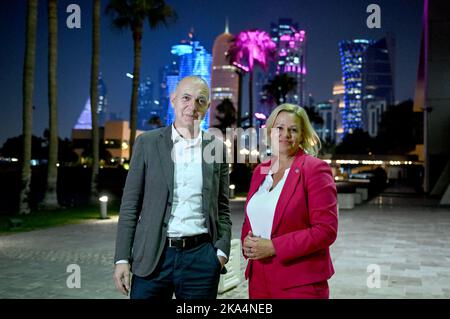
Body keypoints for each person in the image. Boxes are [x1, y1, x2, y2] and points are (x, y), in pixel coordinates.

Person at [114, 75, 232, 299]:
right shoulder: (147, 143)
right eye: (186, 98)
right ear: (173, 99)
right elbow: (130, 205)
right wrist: (121, 259)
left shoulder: (216, 148)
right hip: (153, 258)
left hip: (201, 260)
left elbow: (222, 208)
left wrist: (221, 252)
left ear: (207, 106)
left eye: (200, 100)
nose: (192, 106)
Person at [241, 103, 338, 299]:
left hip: (299, 283)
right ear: (270, 132)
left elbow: (326, 231)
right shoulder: (261, 170)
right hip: (259, 280)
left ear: (302, 135)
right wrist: (246, 242)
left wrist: (274, 246)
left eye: (293, 130)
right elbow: (251, 217)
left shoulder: (315, 169)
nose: (285, 135)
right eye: (280, 128)